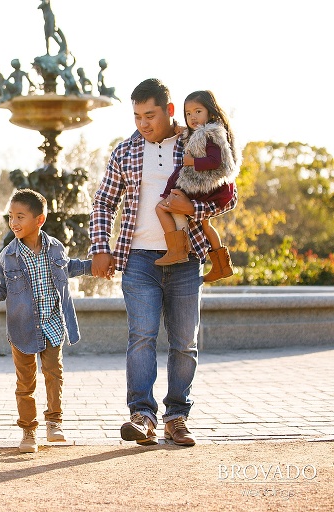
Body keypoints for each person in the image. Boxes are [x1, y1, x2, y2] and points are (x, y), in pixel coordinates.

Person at [89, 79, 237, 447]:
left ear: (169, 111)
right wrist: (100, 247)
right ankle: (141, 415)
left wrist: (194, 208)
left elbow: (228, 194)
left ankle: (176, 417)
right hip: (138, 259)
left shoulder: (196, 143)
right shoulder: (124, 151)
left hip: (186, 258)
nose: (143, 123)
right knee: (142, 337)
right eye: (137, 116)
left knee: (185, 342)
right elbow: (104, 203)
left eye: (150, 115)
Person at [0, 189, 97, 453]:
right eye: (11, 216)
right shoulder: (7, 256)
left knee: (54, 374)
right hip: (22, 329)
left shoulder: (55, 247)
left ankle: (54, 422)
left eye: (20, 216)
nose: (14, 223)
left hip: (53, 324)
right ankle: (28, 430)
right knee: (26, 382)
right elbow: (1, 290)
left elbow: (69, 267)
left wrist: (94, 266)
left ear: (39, 220)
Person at [154, 90, 238, 282]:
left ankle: (176, 249)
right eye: (189, 113)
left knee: (162, 208)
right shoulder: (204, 132)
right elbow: (192, 134)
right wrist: (180, 129)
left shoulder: (211, 134)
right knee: (205, 223)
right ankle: (221, 266)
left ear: (210, 112)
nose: (193, 117)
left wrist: (192, 162)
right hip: (210, 187)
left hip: (205, 185)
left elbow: (215, 161)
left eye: (198, 112)